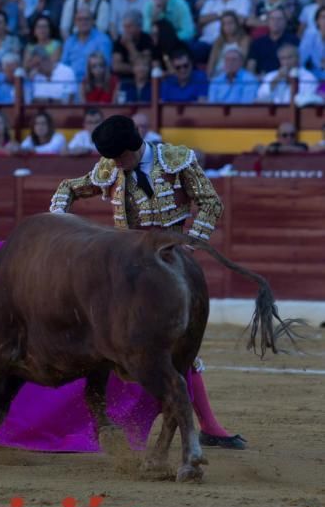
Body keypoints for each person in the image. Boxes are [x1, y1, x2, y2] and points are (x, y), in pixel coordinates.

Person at [50, 114, 245, 449]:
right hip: (126, 270)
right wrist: (57, 224)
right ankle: (95, 425)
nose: (115, 165)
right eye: (111, 159)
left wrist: (190, 245)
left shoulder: (176, 161)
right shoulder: (110, 168)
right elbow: (68, 188)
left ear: (133, 146)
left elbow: (212, 203)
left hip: (171, 264)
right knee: (108, 342)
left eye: (120, 158)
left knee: (178, 344)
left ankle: (208, 425)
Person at [61, 7, 112, 82]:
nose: (83, 22)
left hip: (94, 84)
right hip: (72, 83)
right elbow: (64, 66)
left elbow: (105, 66)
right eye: (80, 19)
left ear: (93, 21)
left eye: (86, 19)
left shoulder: (103, 40)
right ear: (75, 22)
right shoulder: (69, 41)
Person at [247, 8, 299, 77]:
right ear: (268, 21)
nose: (275, 22)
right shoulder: (258, 42)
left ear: (285, 22)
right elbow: (251, 67)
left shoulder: (293, 41)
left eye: (279, 19)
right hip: (261, 80)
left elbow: (297, 64)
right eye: (272, 19)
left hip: (286, 79)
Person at [206, 10, 250, 78]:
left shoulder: (244, 39)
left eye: (230, 23)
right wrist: (209, 76)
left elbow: (242, 61)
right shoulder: (218, 41)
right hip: (217, 76)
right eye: (224, 24)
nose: (228, 26)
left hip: (235, 75)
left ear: (237, 24)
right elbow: (211, 63)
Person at [112, 9, 153, 79]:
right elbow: (116, 66)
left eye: (129, 26)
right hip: (124, 79)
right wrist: (137, 69)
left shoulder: (146, 39)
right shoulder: (119, 40)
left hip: (145, 80)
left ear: (139, 27)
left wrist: (130, 46)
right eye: (124, 27)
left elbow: (145, 64)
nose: (126, 30)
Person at [299, 6, 325, 82]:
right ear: (317, 21)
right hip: (313, 75)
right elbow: (301, 59)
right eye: (323, 17)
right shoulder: (310, 35)